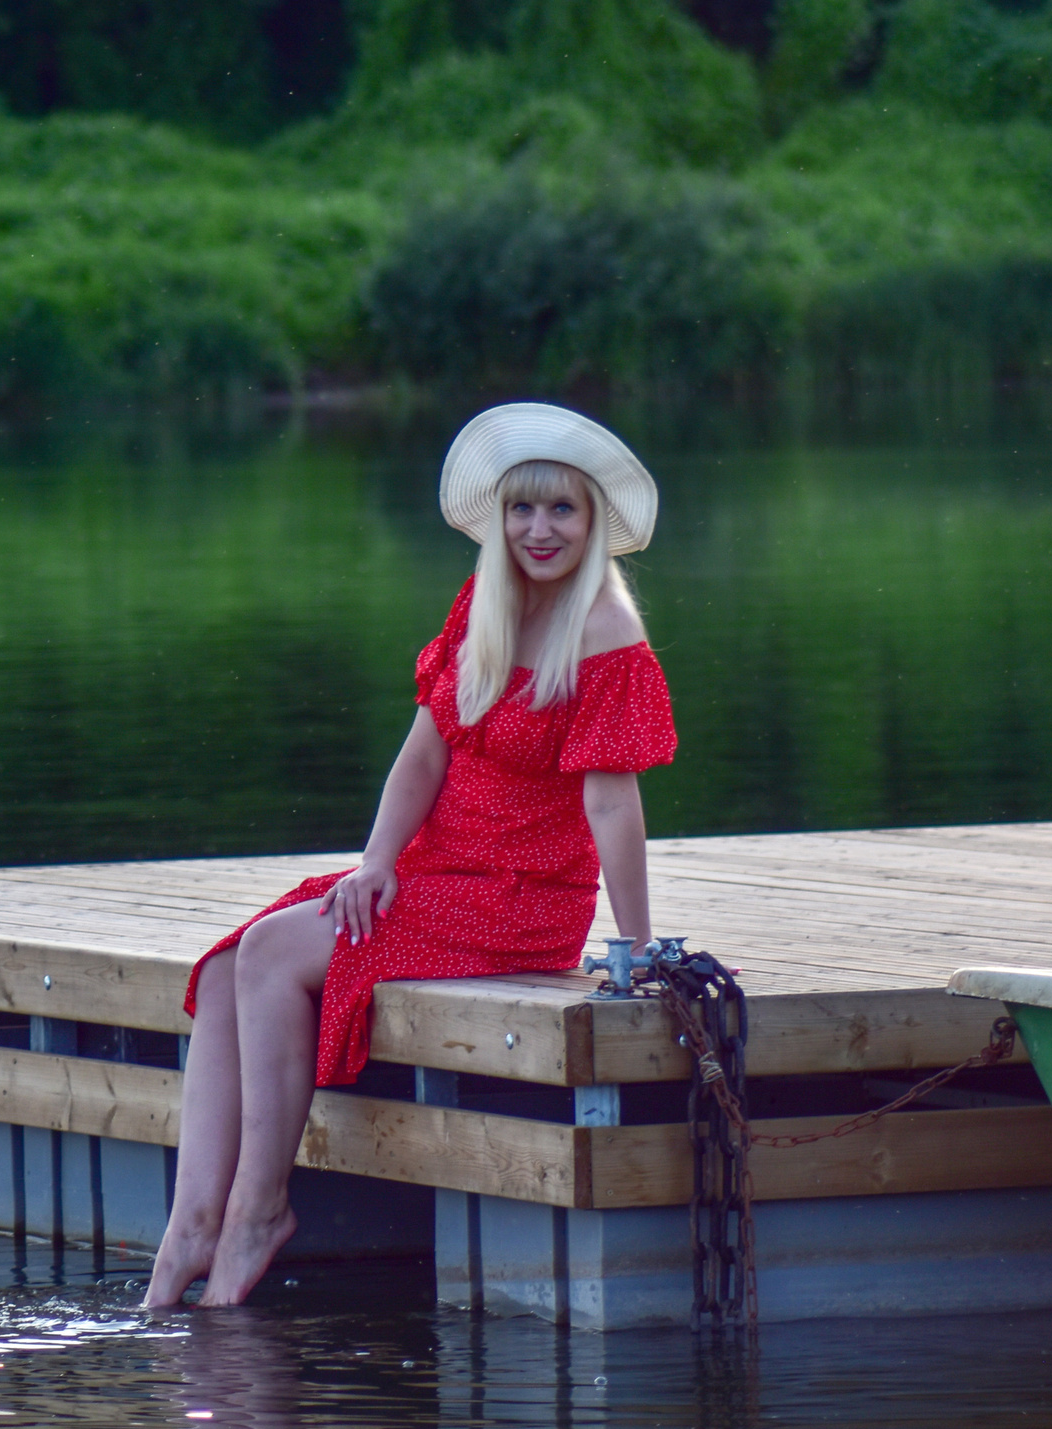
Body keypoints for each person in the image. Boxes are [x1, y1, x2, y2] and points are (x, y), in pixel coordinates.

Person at [145, 403, 677, 1308]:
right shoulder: (489, 602)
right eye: (522, 510)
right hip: (438, 866)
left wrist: (637, 946)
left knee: (276, 951)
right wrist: (376, 858)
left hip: (520, 893)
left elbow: (611, 801)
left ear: (594, 523)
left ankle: (256, 1211)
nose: (539, 531)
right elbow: (426, 749)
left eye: (562, 512)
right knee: (238, 957)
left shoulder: (606, 631)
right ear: (499, 518)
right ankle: (191, 1223)